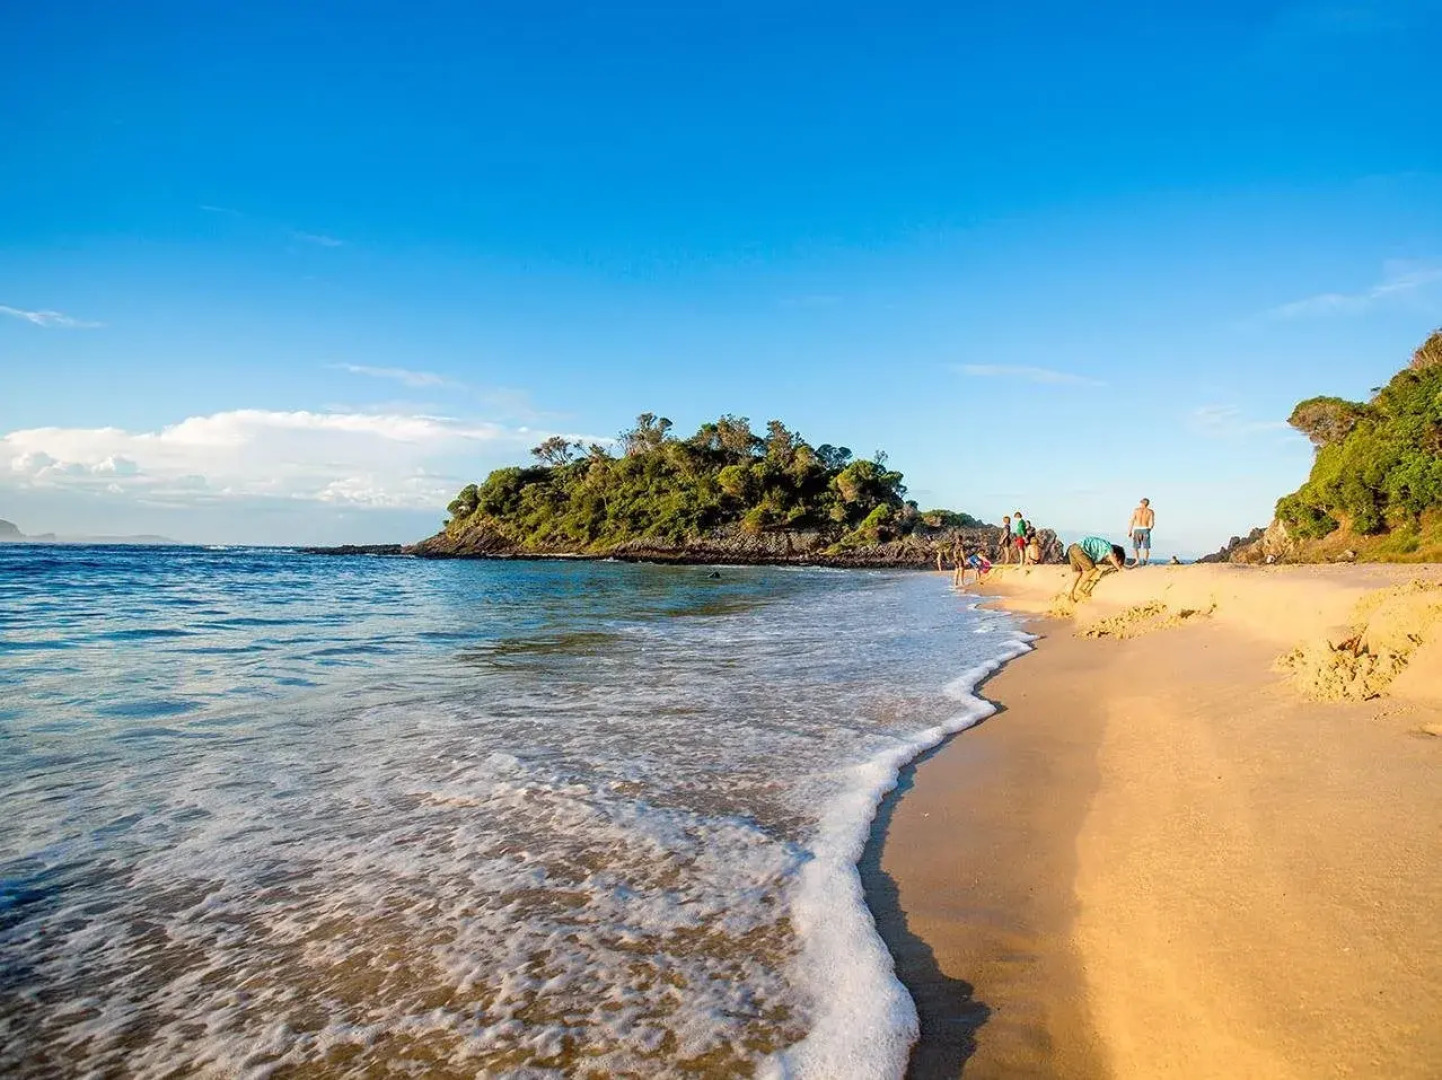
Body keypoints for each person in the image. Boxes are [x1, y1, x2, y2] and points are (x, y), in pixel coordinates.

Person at [1067, 535, 1127, 601]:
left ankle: (1070, 593)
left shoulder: (1102, 548)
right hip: (1080, 549)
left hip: (1073, 548)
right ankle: (1080, 588)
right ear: (1115, 555)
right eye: (1117, 561)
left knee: (1078, 573)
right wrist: (1120, 569)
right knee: (1093, 570)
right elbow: (1112, 558)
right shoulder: (1109, 548)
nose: (1110, 562)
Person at [1128, 498, 1155, 566]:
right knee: (1146, 547)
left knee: (1136, 547)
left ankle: (1137, 560)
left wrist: (1130, 531)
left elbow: (1132, 520)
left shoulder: (1136, 510)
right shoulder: (1150, 511)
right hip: (1146, 529)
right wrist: (1149, 530)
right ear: (1148, 504)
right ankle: (1145, 561)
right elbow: (1152, 523)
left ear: (1141, 503)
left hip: (1137, 529)